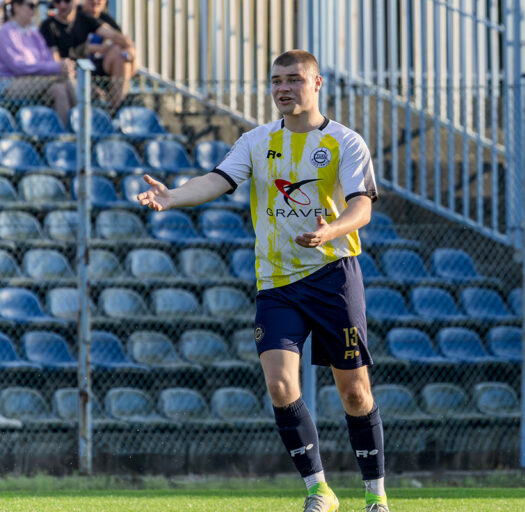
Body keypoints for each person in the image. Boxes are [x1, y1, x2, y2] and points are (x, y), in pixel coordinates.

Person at [138, 50, 389, 512]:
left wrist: (330, 230)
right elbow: (216, 180)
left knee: (355, 392)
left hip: (333, 276)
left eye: (294, 79)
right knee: (280, 386)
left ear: (317, 83)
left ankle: (376, 495)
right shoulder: (256, 141)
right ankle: (319, 490)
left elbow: (362, 207)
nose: (283, 88)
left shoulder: (345, 142)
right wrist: (173, 197)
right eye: (276, 81)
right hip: (277, 284)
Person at [0, 0, 76, 127]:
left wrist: (60, 66)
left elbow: (47, 59)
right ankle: (84, 126)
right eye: (31, 6)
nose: (34, 10)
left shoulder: (34, 33)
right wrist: (57, 67)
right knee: (63, 77)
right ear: (16, 6)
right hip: (10, 84)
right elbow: (19, 67)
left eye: (36, 6)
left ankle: (66, 133)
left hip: (37, 81)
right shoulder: (5, 32)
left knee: (59, 89)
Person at [40, 0, 136, 109]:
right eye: (57, 1)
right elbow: (56, 62)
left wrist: (130, 48)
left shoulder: (85, 19)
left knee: (120, 53)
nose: (62, 5)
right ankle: (84, 115)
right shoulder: (48, 25)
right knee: (69, 85)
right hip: (66, 75)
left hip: (86, 71)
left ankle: (116, 109)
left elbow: (114, 35)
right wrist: (84, 84)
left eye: (67, 1)